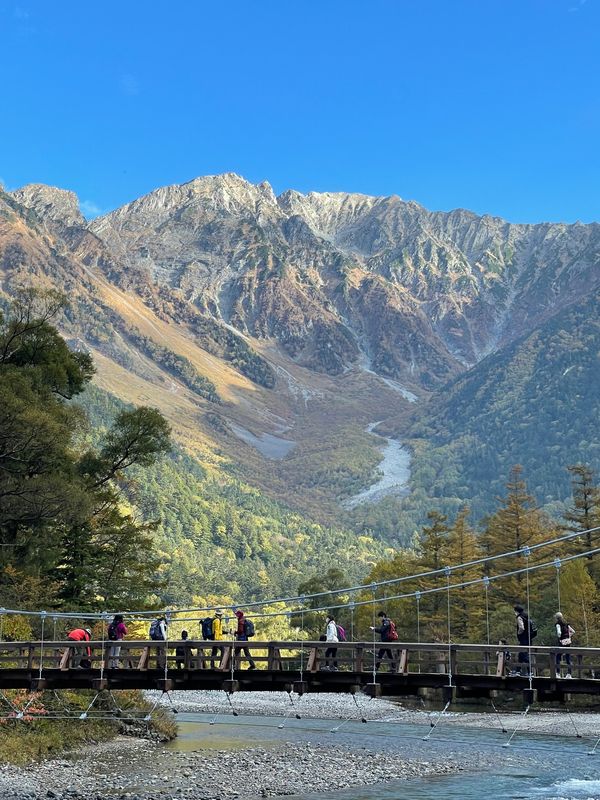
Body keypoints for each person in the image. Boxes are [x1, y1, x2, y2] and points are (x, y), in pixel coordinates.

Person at [513, 605, 533, 676]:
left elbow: (521, 628)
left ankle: (530, 672)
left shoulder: (519, 617)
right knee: (521, 655)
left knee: (524, 655)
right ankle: (518, 671)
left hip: (523, 638)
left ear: (516, 611)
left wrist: (519, 634)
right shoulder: (526, 616)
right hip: (529, 638)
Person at [554, 612, 574, 679]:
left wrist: (559, 638)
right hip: (568, 642)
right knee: (568, 657)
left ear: (556, 618)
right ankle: (569, 674)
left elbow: (559, 633)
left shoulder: (558, 624)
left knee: (558, 657)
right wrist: (568, 636)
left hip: (562, 642)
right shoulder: (566, 623)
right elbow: (573, 631)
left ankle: (558, 673)